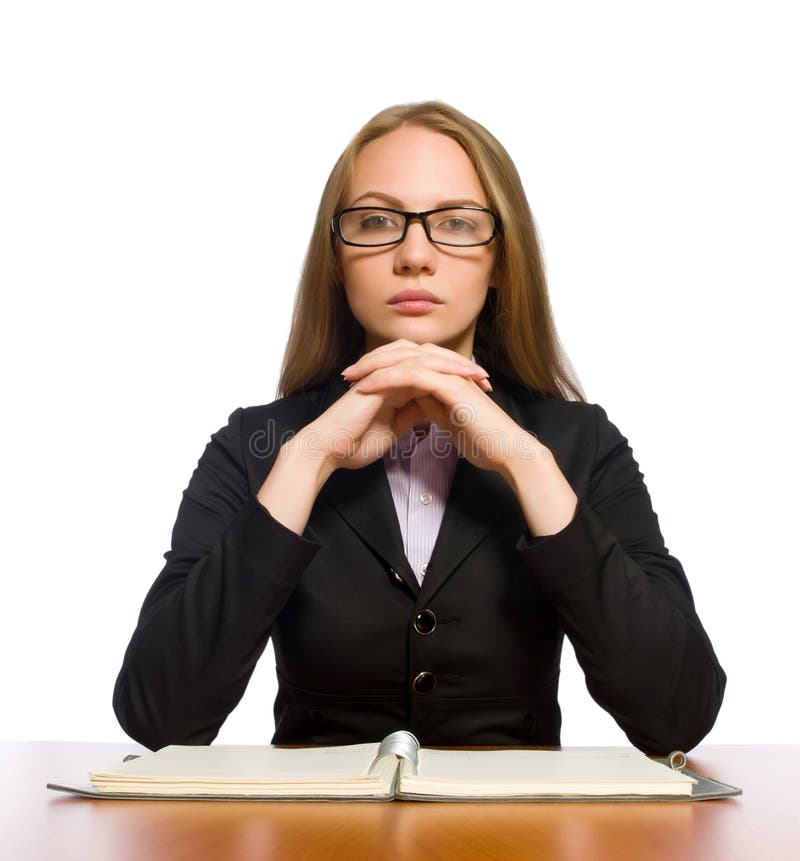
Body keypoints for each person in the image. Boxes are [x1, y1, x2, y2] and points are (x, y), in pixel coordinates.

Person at [113, 101, 725, 755]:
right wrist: (306, 460)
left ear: (500, 263)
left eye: (456, 223)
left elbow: (677, 713)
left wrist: (528, 465)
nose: (413, 254)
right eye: (376, 221)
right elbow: (160, 718)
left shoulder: (581, 444)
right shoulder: (253, 446)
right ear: (337, 259)